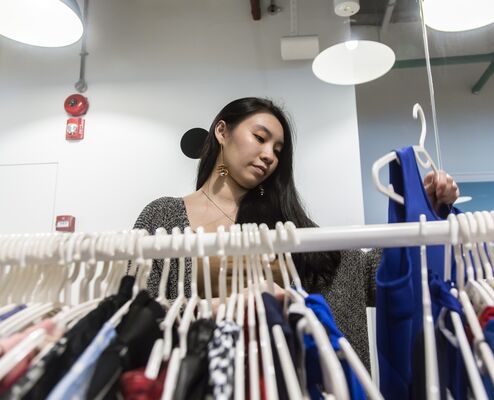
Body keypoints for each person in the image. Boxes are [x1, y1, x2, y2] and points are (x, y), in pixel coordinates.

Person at [132, 97, 459, 369]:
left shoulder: (288, 225)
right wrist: (224, 306)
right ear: (222, 131)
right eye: (260, 138)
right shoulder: (164, 215)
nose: (269, 156)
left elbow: (368, 275)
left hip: (286, 378)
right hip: (200, 376)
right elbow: (135, 310)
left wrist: (424, 211)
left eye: (277, 150)